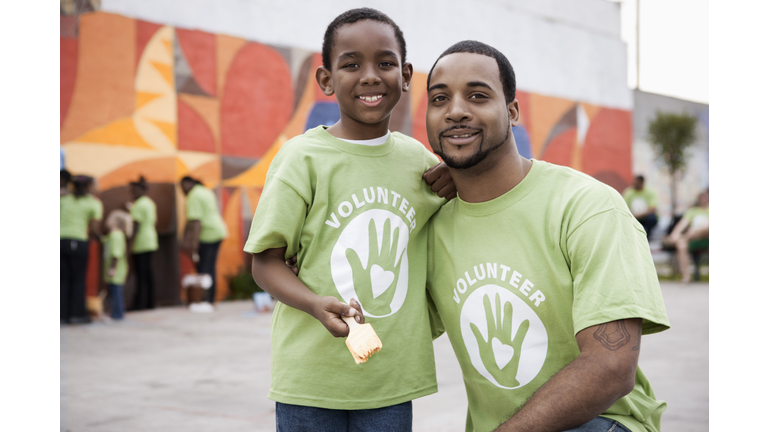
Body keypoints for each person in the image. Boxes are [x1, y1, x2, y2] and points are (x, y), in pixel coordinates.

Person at [421, 41, 670, 432]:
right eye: (439, 98)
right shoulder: (431, 228)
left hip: (602, 424)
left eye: (478, 95)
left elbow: (611, 367)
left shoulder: (586, 206)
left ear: (512, 111)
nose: (455, 110)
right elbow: (389, 322)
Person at [243, 8, 454, 431]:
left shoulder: (419, 161)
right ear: (326, 80)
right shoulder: (302, 158)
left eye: (386, 63)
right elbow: (264, 263)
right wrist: (314, 303)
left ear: (407, 74)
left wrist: (461, 181)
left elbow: (452, 230)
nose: (371, 75)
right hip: (311, 377)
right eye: (352, 64)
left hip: (390, 377)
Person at [180, 176, 228, 309]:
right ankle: (210, 299)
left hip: (208, 234)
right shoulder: (206, 191)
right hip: (218, 231)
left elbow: (196, 221)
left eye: (182, 186)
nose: (182, 190)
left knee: (203, 269)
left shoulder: (193, 195)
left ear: (189, 183)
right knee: (209, 267)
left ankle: (204, 300)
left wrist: (193, 243)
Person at [60, 175, 103, 324]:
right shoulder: (93, 203)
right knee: (78, 279)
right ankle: (77, 315)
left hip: (60, 241)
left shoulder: (63, 200)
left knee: (62, 280)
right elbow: (94, 229)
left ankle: (62, 316)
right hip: (78, 241)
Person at [126, 176, 159, 310]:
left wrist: (129, 246)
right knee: (148, 273)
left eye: (134, 190)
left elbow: (135, 227)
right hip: (151, 240)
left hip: (141, 242)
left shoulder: (138, 205)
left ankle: (139, 303)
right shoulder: (150, 203)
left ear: (141, 189)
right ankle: (150, 302)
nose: (132, 193)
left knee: (141, 275)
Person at [663, 189, 709, 283]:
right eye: (702, 196)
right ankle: (686, 276)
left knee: (706, 227)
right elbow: (683, 224)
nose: (704, 198)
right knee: (681, 244)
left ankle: (683, 237)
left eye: (706, 196)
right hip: (694, 239)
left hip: (707, 237)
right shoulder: (692, 211)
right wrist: (674, 234)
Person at [102, 210, 133, 320]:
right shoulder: (114, 235)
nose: (107, 220)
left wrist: (112, 268)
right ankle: (116, 313)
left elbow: (116, 254)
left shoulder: (116, 235)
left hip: (116, 270)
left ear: (115, 222)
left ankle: (117, 314)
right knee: (115, 292)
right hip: (118, 269)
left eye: (110, 218)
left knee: (115, 293)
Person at [622, 175, 659, 240]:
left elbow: (652, 207)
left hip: (645, 217)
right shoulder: (629, 193)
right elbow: (624, 206)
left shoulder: (650, 192)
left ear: (642, 182)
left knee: (652, 219)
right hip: (633, 216)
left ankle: (648, 236)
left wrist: (639, 214)